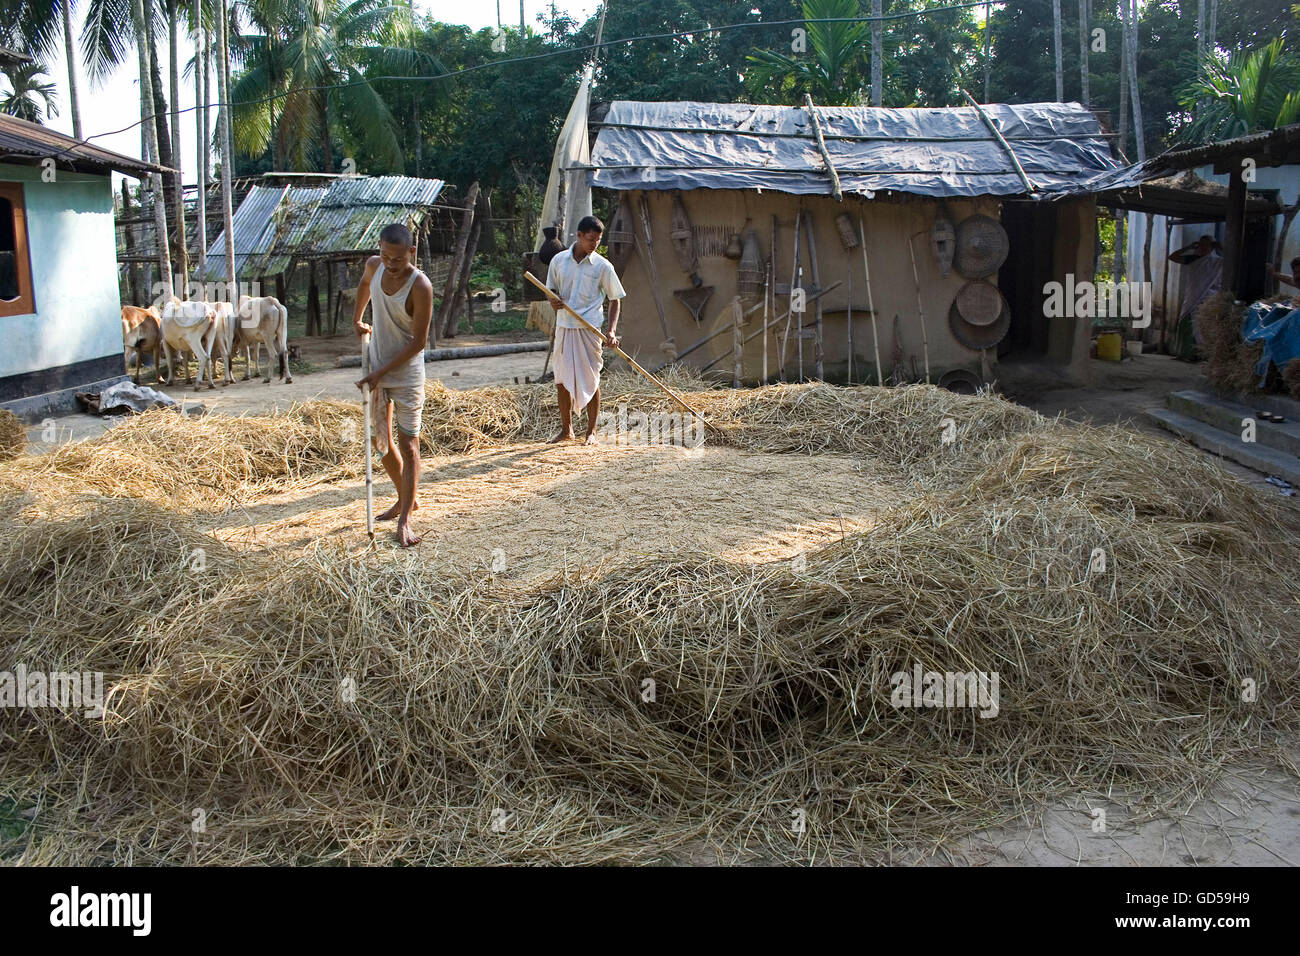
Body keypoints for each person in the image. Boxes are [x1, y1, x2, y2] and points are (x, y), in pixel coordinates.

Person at [353, 223, 434, 547]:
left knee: (408, 444)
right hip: (377, 371)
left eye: (397, 259)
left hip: (406, 375)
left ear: (411, 253)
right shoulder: (374, 265)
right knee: (379, 442)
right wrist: (358, 319)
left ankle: (405, 520)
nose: (390, 263)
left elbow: (419, 342)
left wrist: (380, 372)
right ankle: (406, 498)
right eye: (385, 256)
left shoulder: (420, 286)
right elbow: (364, 283)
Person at [544, 215, 627, 444]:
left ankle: (591, 432)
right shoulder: (558, 261)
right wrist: (553, 301)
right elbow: (549, 290)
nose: (594, 245)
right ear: (579, 235)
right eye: (591, 239)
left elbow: (615, 299)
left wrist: (610, 331)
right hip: (564, 327)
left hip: (590, 329)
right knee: (561, 379)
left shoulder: (603, 266)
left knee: (591, 379)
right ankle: (566, 430)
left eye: (598, 241)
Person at [1169, 234, 1223, 347]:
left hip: (1208, 299)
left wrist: (1220, 247)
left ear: (1212, 247)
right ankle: (1185, 352)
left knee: (1203, 326)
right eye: (1200, 245)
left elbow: (1233, 260)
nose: (1202, 248)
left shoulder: (1218, 262)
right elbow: (1173, 256)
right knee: (1187, 323)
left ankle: (1201, 351)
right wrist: (1189, 247)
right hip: (1191, 297)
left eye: (1206, 245)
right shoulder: (1193, 259)